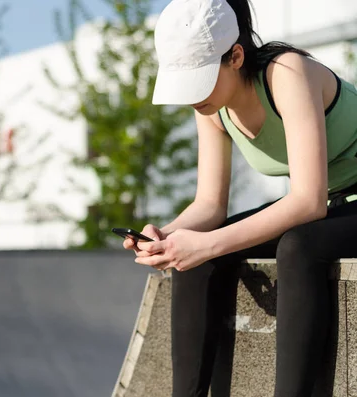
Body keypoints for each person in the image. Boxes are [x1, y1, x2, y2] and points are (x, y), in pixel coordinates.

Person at [122, 0, 357, 396]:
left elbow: (307, 202)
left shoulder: (286, 73)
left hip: (333, 204)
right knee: (191, 255)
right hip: (331, 205)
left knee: (298, 247)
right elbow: (210, 206)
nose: (192, 97)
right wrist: (167, 234)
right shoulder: (210, 106)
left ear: (235, 56)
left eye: (200, 79)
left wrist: (206, 243)